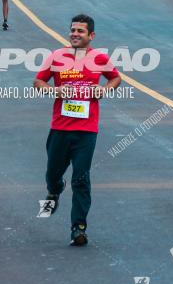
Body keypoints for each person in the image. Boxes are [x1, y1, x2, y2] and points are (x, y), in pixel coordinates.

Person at [32, 14, 121, 247]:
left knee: (81, 179)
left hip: (87, 131)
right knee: (53, 173)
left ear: (91, 36)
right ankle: (55, 190)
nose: (75, 34)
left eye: (80, 31)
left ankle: (78, 228)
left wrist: (104, 90)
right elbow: (38, 82)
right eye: (73, 30)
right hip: (60, 127)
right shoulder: (57, 56)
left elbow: (115, 78)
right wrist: (54, 91)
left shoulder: (99, 58)